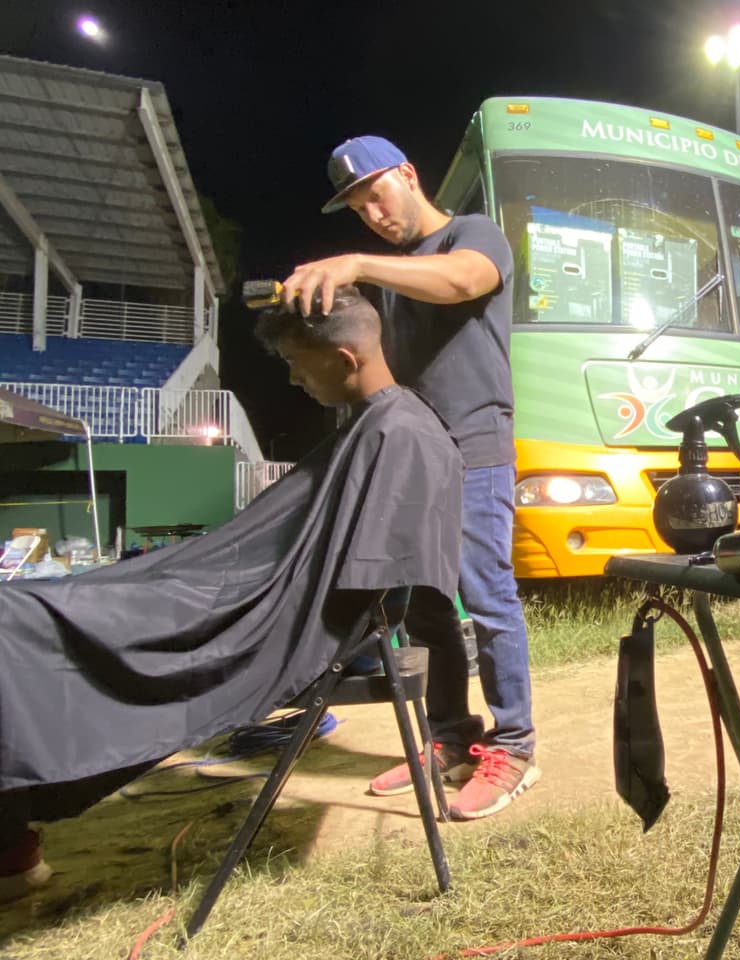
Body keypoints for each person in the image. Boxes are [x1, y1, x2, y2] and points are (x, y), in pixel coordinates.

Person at [0, 287, 463, 902]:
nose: (294, 379)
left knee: (21, 623)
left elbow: (369, 588)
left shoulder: (399, 434)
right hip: (237, 592)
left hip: (266, 620)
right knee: (51, 606)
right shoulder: (381, 426)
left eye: (297, 363)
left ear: (346, 359)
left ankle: (11, 844)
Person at [282, 135, 539, 821]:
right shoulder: (389, 284)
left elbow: (463, 281)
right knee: (426, 608)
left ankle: (514, 746)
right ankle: (451, 738)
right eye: (358, 207)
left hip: (476, 443)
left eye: (376, 192)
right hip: (418, 452)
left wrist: (359, 264)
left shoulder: (471, 234)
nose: (371, 212)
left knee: (487, 599)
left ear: (407, 174)